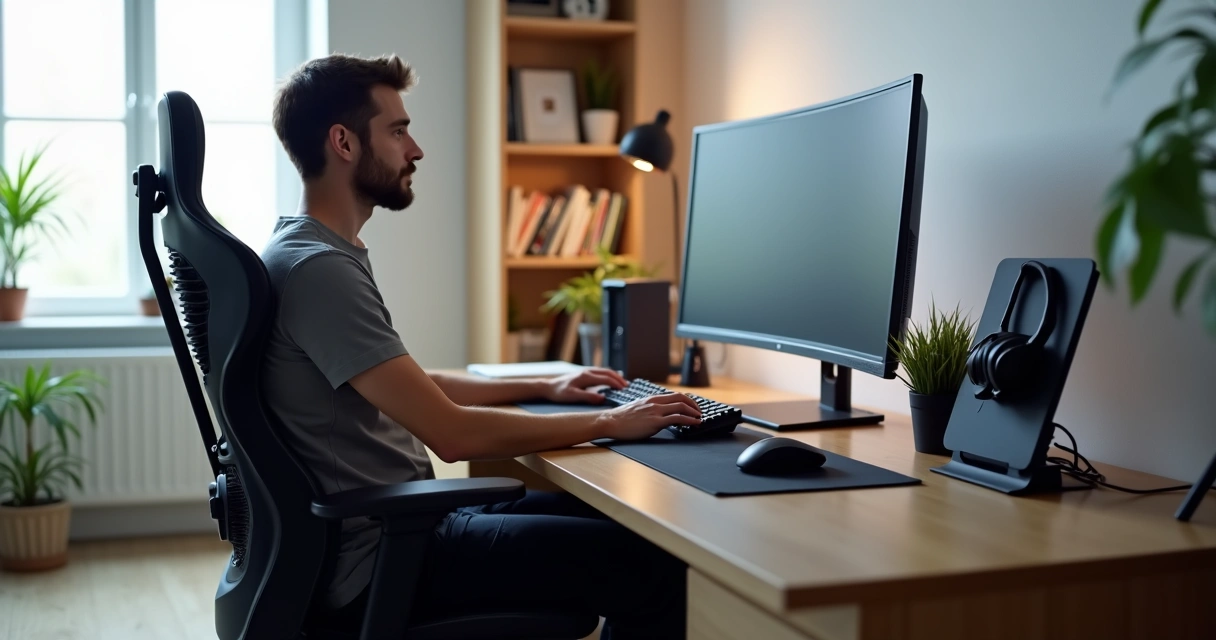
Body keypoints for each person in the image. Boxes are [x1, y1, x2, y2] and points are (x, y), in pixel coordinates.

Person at [261, 52, 700, 638]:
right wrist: (612, 424)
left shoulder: (309, 253)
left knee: (635, 527)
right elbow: (452, 433)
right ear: (343, 142)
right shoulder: (318, 271)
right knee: (661, 568)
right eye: (397, 130)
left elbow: (413, 385)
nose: (414, 149)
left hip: (406, 528)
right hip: (388, 558)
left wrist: (544, 385)